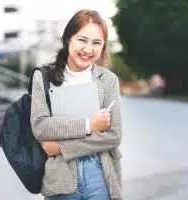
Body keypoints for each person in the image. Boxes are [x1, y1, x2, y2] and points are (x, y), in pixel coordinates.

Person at [30, 9, 123, 200]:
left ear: (103, 46)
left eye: (96, 43)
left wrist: (62, 148)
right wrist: (90, 125)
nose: (88, 49)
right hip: (60, 178)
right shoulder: (43, 77)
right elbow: (41, 127)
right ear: (68, 39)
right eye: (82, 40)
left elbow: (113, 136)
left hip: (100, 175)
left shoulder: (108, 80)